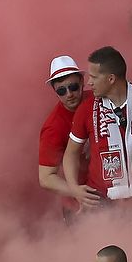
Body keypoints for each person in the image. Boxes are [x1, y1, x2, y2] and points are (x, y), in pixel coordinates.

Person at [64, 45, 132, 204]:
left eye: (94, 77)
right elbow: (70, 154)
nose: (89, 82)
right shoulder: (86, 109)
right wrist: (73, 188)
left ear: (110, 79)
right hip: (101, 203)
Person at [38, 55, 96, 210]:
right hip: (80, 205)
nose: (69, 94)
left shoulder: (99, 99)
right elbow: (45, 178)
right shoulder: (53, 127)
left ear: (82, 82)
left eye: (73, 87)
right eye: (62, 90)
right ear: (55, 91)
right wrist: (75, 190)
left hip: (113, 191)